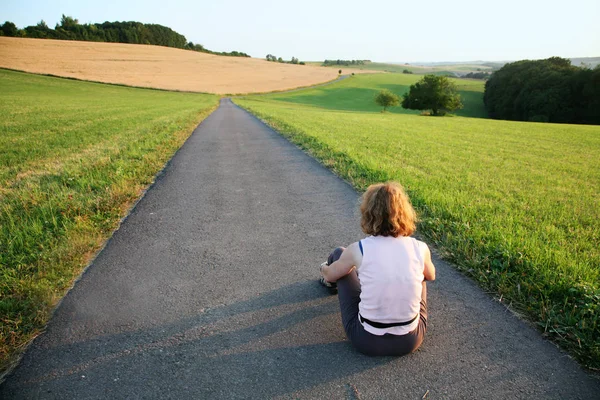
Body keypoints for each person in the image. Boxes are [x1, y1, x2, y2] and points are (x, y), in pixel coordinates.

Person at [319, 182, 436, 356]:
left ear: (368, 213)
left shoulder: (358, 249)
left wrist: (323, 268)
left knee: (339, 254)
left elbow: (330, 275)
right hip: (410, 340)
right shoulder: (420, 247)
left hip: (366, 341)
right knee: (422, 274)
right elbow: (431, 276)